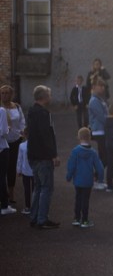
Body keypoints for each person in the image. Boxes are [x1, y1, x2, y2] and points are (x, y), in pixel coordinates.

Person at [27, 85, 60, 229]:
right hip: (43, 156)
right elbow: (46, 135)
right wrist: (53, 154)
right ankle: (42, 219)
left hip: (33, 154)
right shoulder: (43, 114)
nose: (50, 97)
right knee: (46, 188)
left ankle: (34, 217)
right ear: (44, 97)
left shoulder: (31, 111)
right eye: (49, 95)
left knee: (38, 187)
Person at [66, 127, 104, 229]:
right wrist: (100, 178)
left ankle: (76, 218)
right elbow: (99, 167)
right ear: (90, 137)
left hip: (77, 180)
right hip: (88, 180)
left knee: (78, 198)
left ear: (79, 137)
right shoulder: (93, 152)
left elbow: (71, 166)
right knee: (85, 200)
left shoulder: (75, 151)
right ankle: (85, 220)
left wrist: (68, 176)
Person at [1, 85, 26, 206]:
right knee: (2, 169)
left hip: (15, 140)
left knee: (12, 167)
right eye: (2, 93)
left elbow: (22, 121)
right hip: (2, 142)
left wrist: (23, 133)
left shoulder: (17, 107)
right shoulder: (0, 109)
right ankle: (2, 194)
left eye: (7, 93)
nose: (4, 95)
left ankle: (11, 193)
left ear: (11, 95)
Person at [87, 80, 109, 190]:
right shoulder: (94, 101)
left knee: (103, 157)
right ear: (94, 87)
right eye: (100, 86)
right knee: (103, 158)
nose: (102, 88)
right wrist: (111, 123)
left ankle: (98, 179)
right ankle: (96, 179)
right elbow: (102, 117)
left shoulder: (99, 99)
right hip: (99, 131)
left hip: (101, 131)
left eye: (103, 86)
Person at [16, 128, 33, 215]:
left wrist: (18, 170)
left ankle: (27, 207)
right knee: (35, 189)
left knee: (26, 190)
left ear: (25, 135)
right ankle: (35, 206)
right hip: (34, 171)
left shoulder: (22, 146)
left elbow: (19, 159)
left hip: (25, 170)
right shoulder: (36, 145)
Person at [0, 100, 12, 216]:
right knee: (2, 177)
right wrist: (8, 128)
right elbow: (3, 131)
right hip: (2, 147)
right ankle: (4, 205)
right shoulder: (1, 110)